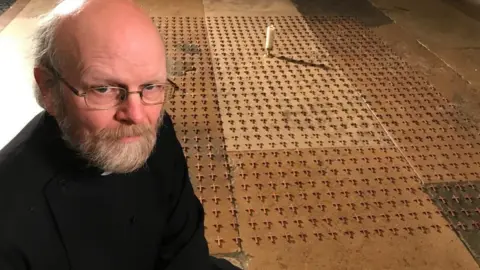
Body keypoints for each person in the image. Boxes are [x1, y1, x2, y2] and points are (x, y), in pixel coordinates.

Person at [0, 0, 240, 269]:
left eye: (150, 86)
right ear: (48, 89)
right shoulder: (9, 216)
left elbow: (185, 247)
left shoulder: (158, 129)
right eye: (103, 89)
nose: (136, 116)